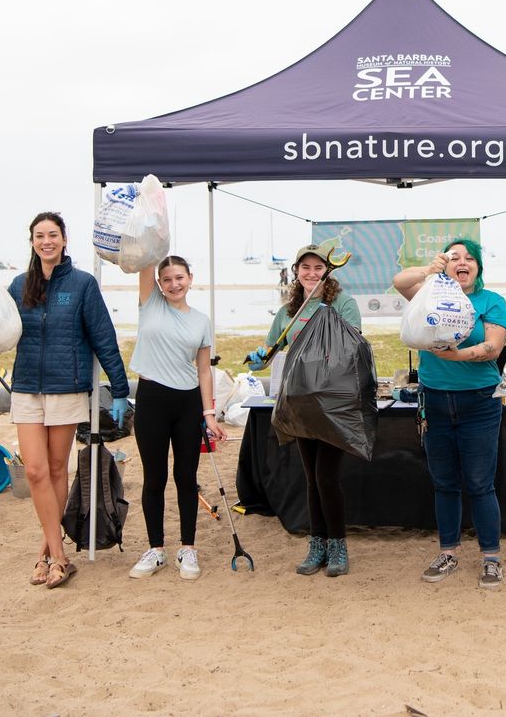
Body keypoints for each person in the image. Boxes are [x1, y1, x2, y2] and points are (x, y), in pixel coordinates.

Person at [7, 212, 131, 589]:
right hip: (27, 387)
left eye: (53, 235)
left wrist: (121, 389)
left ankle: (46, 552)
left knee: (58, 470)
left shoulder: (82, 284)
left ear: (64, 240)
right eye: (40, 236)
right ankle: (60, 555)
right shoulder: (18, 285)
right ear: (32, 242)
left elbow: (103, 337)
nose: (47, 241)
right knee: (34, 472)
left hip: (67, 387)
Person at [392, 239, 506, 589]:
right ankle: (448, 552)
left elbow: (493, 347)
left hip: (480, 403)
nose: (463, 262)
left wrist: (454, 356)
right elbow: (400, 281)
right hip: (436, 403)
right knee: (444, 483)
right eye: (455, 257)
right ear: (446, 264)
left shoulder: (491, 301)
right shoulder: (428, 294)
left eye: (470, 258)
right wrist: (429, 271)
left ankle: (491, 557)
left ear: (478, 268)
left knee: (480, 483)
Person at [248, 245, 361, 577]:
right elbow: (270, 352)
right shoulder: (288, 312)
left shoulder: (343, 304)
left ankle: (338, 546)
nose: (311, 273)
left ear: (328, 271)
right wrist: (259, 358)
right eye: (305, 267)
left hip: (333, 403)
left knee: (326, 476)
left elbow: (353, 346)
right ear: (296, 271)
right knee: (311, 478)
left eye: (318, 268)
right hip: (300, 403)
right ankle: (318, 545)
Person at [127, 255, 228, 582]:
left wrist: (209, 414)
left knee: (186, 477)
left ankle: (188, 548)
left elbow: (203, 370)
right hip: (151, 399)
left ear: (190, 278)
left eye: (179, 278)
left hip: (187, 404)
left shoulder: (201, 320)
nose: (174, 284)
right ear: (158, 282)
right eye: (167, 279)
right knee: (154, 478)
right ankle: (156, 549)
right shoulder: (150, 303)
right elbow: (145, 254)